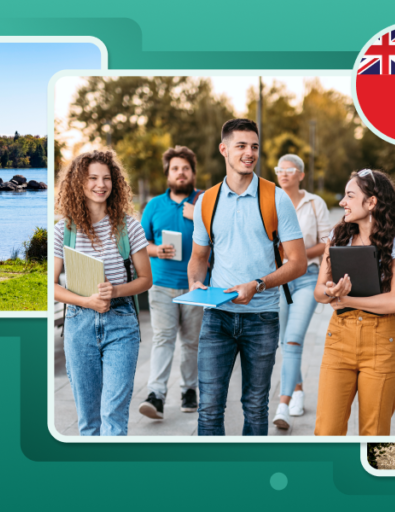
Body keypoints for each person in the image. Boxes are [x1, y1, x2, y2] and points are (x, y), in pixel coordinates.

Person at [188, 118, 307, 436]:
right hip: (217, 317)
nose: (249, 153)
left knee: (255, 407)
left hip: (262, 318)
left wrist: (258, 285)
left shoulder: (276, 198)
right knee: (209, 408)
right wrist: (195, 284)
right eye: (241, 146)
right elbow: (198, 258)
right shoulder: (207, 201)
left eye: (254, 146)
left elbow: (298, 263)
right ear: (224, 149)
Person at [53, 149, 152, 436]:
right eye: (93, 178)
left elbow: (146, 279)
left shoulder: (129, 227)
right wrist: (86, 300)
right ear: (79, 182)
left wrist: (115, 290)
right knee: (89, 422)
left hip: (121, 322)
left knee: (113, 418)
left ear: (115, 182)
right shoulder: (64, 230)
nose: (100, 184)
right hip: (79, 324)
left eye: (106, 178)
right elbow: (51, 285)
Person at [313, 169, 395, 436]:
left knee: (374, 435)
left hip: (381, 343)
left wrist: (347, 299)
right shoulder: (338, 235)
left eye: (349, 195)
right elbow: (319, 292)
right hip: (339, 339)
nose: (342, 202)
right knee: (326, 432)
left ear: (371, 202)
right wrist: (332, 291)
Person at [137, 146, 204, 420]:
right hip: (162, 285)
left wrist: (198, 215)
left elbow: (222, 236)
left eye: (185, 168)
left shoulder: (204, 203)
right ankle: (156, 395)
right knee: (163, 339)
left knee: (191, 342)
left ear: (193, 173)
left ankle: (189, 390)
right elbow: (140, 244)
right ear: (168, 174)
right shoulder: (154, 206)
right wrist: (156, 250)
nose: (181, 173)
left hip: (196, 286)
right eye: (175, 168)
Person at [271, 153, 331, 429]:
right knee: (284, 341)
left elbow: (326, 242)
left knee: (293, 339)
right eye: (280, 169)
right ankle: (297, 390)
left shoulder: (314, 203)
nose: (283, 174)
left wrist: (298, 255)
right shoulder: (270, 201)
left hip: (307, 278)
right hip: (279, 279)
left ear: (301, 175)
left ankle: (282, 405)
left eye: (290, 170)